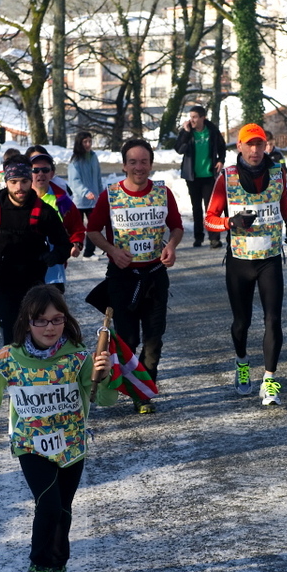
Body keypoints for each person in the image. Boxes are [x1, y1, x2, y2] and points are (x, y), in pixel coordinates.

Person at [0, 285, 117, 572]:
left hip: (71, 445)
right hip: (31, 445)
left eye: (56, 319)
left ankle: (59, 564)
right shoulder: (10, 358)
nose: (49, 327)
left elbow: (105, 399)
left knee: (63, 509)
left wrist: (105, 375)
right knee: (49, 506)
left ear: (66, 320)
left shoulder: (79, 358)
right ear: (27, 323)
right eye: (40, 320)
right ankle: (39, 564)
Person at [204, 123, 287, 406]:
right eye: (250, 145)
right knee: (241, 322)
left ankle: (269, 381)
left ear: (265, 146)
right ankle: (242, 362)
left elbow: (282, 201)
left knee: (273, 320)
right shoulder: (227, 177)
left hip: (269, 259)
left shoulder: (277, 173)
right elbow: (209, 219)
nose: (256, 150)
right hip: (239, 261)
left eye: (260, 144)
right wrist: (230, 222)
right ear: (240, 147)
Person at [86, 138, 184, 413]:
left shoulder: (163, 193)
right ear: (124, 165)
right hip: (122, 277)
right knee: (128, 340)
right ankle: (130, 384)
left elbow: (176, 227)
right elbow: (92, 230)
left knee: (154, 339)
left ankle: (143, 394)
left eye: (143, 162)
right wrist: (111, 250)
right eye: (133, 162)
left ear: (151, 164)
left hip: (154, 275)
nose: (138, 167)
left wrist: (171, 246)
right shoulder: (111, 195)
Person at [0, 155, 71, 346]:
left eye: (24, 181)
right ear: (6, 182)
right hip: (2, 284)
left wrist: (53, 256)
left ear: (30, 181)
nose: (19, 187)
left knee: (36, 335)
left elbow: (64, 244)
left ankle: (38, 363)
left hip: (34, 285)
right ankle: (13, 364)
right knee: (12, 336)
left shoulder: (44, 211)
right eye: (13, 182)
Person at [29, 151, 86, 292]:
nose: (40, 174)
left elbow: (77, 228)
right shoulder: (21, 199)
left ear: (52, 173)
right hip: (27, 269)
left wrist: (76, 244)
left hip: (54, 269)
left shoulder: (63, 201)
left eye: (45, 170)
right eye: (35, 170)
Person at [174, 105, 227, 248]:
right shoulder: (187, 131)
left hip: (209, 175)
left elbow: (222, 146)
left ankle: (214, 238)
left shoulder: (212, 130)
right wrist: (186, 133)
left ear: (203, 118)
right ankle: (198, 237)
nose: (192, 120)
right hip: (192, 176)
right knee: (196, 208)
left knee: (211, 208)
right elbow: (179, 149)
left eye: (195, 117)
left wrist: (221, 160)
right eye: (190, 117)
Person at [66, 131, 103, 259]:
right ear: (79, 143)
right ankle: (73, 249)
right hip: (79, 201)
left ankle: (88, 253)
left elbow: (98, 177)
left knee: (93, 227)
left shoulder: (93, 157)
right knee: (77, 229)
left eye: (90, 141)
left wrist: (101, 193)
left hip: (93, 200)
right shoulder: (75, 161)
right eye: (85, 142)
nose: (88, 144)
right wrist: (85, 192)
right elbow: (74, 181)